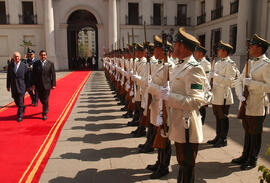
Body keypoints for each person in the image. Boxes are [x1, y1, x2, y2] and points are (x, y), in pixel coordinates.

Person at [160, 27, 208, 182]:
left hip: (187, 125)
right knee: (182, 164)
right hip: (178, 122)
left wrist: (170, 97)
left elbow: (196, 101)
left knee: (187, 165)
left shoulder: (194, 69)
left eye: (174, 44)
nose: (172, 47)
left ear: (181, 46)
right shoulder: (180, 66)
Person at [232, 34, 270, 170]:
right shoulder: (251, 62)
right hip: (246, 103)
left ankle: (252, 159)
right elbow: (240, 79)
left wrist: (252, 83)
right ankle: (245, 155)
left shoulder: (266, 65)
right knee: (247, 131)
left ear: (259, 49)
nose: (249, 48)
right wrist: (239, 95)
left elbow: (269, 86)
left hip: (258, 105)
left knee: (255, 134)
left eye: (252, 46)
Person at [207, 40, 239, 147]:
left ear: (225, 52)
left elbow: (230, 81)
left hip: (224, 95)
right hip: (216, 94)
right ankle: (218, 136)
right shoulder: (217, 62)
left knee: (223, 117)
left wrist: (215, 76)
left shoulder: (230, 64)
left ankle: (223, 139)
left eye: (219, 50)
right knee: (217, 116)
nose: (218, 51)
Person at [32, 50, 56, 120]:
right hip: (38, 84)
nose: (43, 56)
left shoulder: (50, 63)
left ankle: (44, 113)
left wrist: (53, 84)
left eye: (44, 55)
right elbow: (34, 75)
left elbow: (53, 75)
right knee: (41, 98)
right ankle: (46, 106)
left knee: (45, 99)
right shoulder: (36, 64)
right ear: (39, 56)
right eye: (42, 55)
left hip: (47, 84)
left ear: (46, 56)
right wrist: (33, 84)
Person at [6, 52, 30, 122]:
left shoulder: (24, 65)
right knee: (16, 100)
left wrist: (28, 86)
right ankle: (22, 107)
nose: (16, 58)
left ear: (20, 57)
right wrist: (8, 86)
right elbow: (8, 77)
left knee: (20, 101)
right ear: (13, 57)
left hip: (21, 86)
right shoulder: (10, 66)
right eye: (15, 57)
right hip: (13, 86)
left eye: (18, 56)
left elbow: (27, 77)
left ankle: (20, 115)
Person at [194, 44, 211, 125]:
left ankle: (201, 122)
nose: (195, 54)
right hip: (196, 88)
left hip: (202, 88)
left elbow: (207, 78)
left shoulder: (206, 63)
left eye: (196, 52)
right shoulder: (197, 62)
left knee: (202, 107)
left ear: (201, 53)